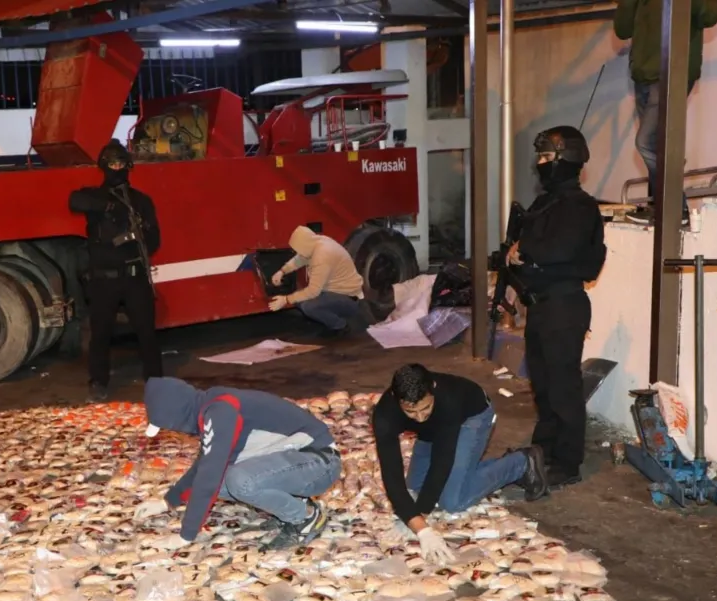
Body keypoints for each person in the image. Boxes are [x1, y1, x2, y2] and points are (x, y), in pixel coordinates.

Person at [507, 126, 607, 488]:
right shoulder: (544, 204)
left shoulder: (580, 206)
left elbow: (562, 249)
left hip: (564, 306)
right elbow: (530, 247)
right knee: (544, 386)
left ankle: (566, 462)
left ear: (567, 159)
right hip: (542, 306)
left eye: (547, 157)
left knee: (563, 389)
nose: (541, 164)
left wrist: (525, 251)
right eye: (540, 157)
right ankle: (543, 451)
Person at [134, 377, 340, 549]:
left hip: (321, 462)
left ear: (178, 415)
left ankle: (305, 518)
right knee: (225, 482)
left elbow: (209, 476)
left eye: (170, 426)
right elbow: (204, 466)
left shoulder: (221, 411)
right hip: (298, 461)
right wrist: (167, 502)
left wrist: (185, 536)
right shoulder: (211, 407)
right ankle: (296, 503)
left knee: (240, 481)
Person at [372, 364, 548, 564]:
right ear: (396, 399)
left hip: (470, 418)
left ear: (433, 389)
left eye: (425, 408)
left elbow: (442, 461)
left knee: (453, 501)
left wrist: (420, 523)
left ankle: (521, 462)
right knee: (415, 488)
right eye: (411, 412)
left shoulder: (448, 400)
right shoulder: (384, 415)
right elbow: (391, 474)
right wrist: (415, 520)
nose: (420, 417)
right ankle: (473, 470)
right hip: (430, 433)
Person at [69, 140, 163, 402]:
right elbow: (74, 200)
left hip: (134, 276)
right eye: (112, 164)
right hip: (104, 279)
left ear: (128, 166)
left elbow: (155, 240)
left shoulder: (140, 201)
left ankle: (157, 383)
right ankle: (98, 382)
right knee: (100, 334)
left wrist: (137, 236)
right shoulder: (95, 197)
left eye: (121, 164)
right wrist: (109, 207)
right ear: (104, 166)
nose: (117, 168)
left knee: (146, 333)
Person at [614, 0, 717, 227]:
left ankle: (674, 208)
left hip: (672, 71)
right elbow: (622, 30)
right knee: (657, 146)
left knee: (646, 143)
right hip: (643, 75)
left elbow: (710, 15)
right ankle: (662, 208)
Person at [267, 226, 365, 337]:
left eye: (299, 249)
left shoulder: (322, 256)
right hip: (334, 292)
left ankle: (340, 326)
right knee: (299, 299)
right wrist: (282, 271)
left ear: (305, 245)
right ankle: (327, 318)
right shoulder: (315, 243)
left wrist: (285, 299)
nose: (298, 252)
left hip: (348, 298)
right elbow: (299, 259)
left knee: (309, 306)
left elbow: (313, 291)